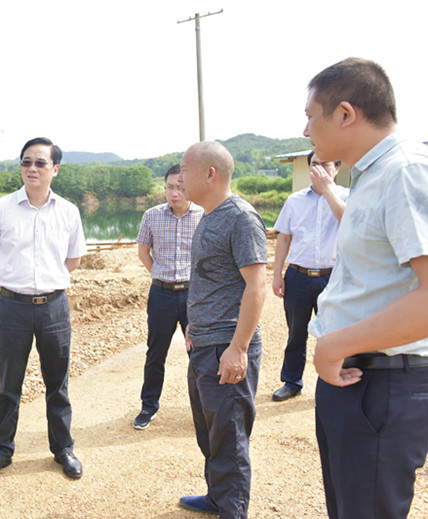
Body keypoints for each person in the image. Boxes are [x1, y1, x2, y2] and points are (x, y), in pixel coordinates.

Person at [305, 57, 428, 519]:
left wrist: (334, 344)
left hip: (382, 381)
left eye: (311, 116)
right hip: (359, 378)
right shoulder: (370, 176)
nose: (305, 131)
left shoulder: (404, 171)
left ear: (345, 113)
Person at [0, 137, 86, 483]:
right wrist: (12, 283)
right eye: (26, 162)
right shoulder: (0, 208)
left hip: (54, 307)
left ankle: (63, 449)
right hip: (13, 307)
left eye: (40, 163)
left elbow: (73, 259)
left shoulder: (68, 211)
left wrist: (48, 283)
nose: (32, 168)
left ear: (55, 169)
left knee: (58, 382)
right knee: (9, 383)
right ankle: (1, 451)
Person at [177, 141, 267, 518]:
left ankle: (232, 509)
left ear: (209, 174)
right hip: (203, 343)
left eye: (184, 170)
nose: (179, 177)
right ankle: (217, 497)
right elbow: (210, 281)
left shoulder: (240, 218)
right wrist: (194, 327)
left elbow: (256, 286)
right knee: (211, 434)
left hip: (225, 346)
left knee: (229, 439)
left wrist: (239, 348)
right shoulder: (208, 216)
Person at [271, 151, 348, 401]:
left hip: (333, 277)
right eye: (314, 164)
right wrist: (277, 274)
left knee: (333, 333)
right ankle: (292, 381)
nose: (319, 169)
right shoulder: (295, 200)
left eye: (325, 164)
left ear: (336, 168)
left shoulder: (347, 196)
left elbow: (348, 221)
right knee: (296, 333)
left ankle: (335, 380)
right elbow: (284, 237)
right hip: (298, 276)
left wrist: (328, 191)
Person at [133, 165, 203, 429]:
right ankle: (148, 405)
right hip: (161, 294)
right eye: (170, 187)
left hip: (194, 294)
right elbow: (143, 253)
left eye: (180, 187)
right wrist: (160, 275)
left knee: (198, 352)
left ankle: (204, 407)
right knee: (156, 352)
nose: (175, 193)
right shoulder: (152, 216)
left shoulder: (204, 215)